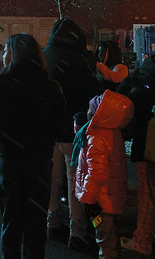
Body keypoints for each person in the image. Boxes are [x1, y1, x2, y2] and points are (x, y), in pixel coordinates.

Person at [0, 33, 71, 259]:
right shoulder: (50, 86)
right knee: (35, 224)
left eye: (6, 50)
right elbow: (63, 128)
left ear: (13, 54)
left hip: (8, 160)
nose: (2, 54)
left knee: (10, 221)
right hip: (39, 162)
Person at [43, 18, 100, 250]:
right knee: (74, 180)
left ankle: (52, 223)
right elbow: (90, 91)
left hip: (48, 128)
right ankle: (78, 232)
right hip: (72, 130)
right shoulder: (76, 60)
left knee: (53, 180)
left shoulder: (44, 55)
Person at [117, 54, 155, 256]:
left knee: (147, 197)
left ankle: (142, 241)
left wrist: (128, 81)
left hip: (146, 148)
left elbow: (120, 101)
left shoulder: (140, 89)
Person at [74, 90, 135, 259]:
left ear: (99, 114)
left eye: (90, 109)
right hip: (110, 198)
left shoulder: (97, 137)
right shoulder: (113, 133)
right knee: (110, 233)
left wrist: (88, 199)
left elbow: (96, 173)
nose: (87, 111)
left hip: (99, 200)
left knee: (103, 235)